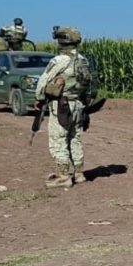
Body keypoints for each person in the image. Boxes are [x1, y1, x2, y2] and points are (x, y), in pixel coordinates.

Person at [34, 26, 93, 188]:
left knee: (58, 139)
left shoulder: (59, 60)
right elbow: (88, 85)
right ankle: (79, 173)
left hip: (61, 105)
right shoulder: (83, 60)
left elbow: (44, 80)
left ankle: (63, 176)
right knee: (75, 138)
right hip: (78, 104)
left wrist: (39, 97)